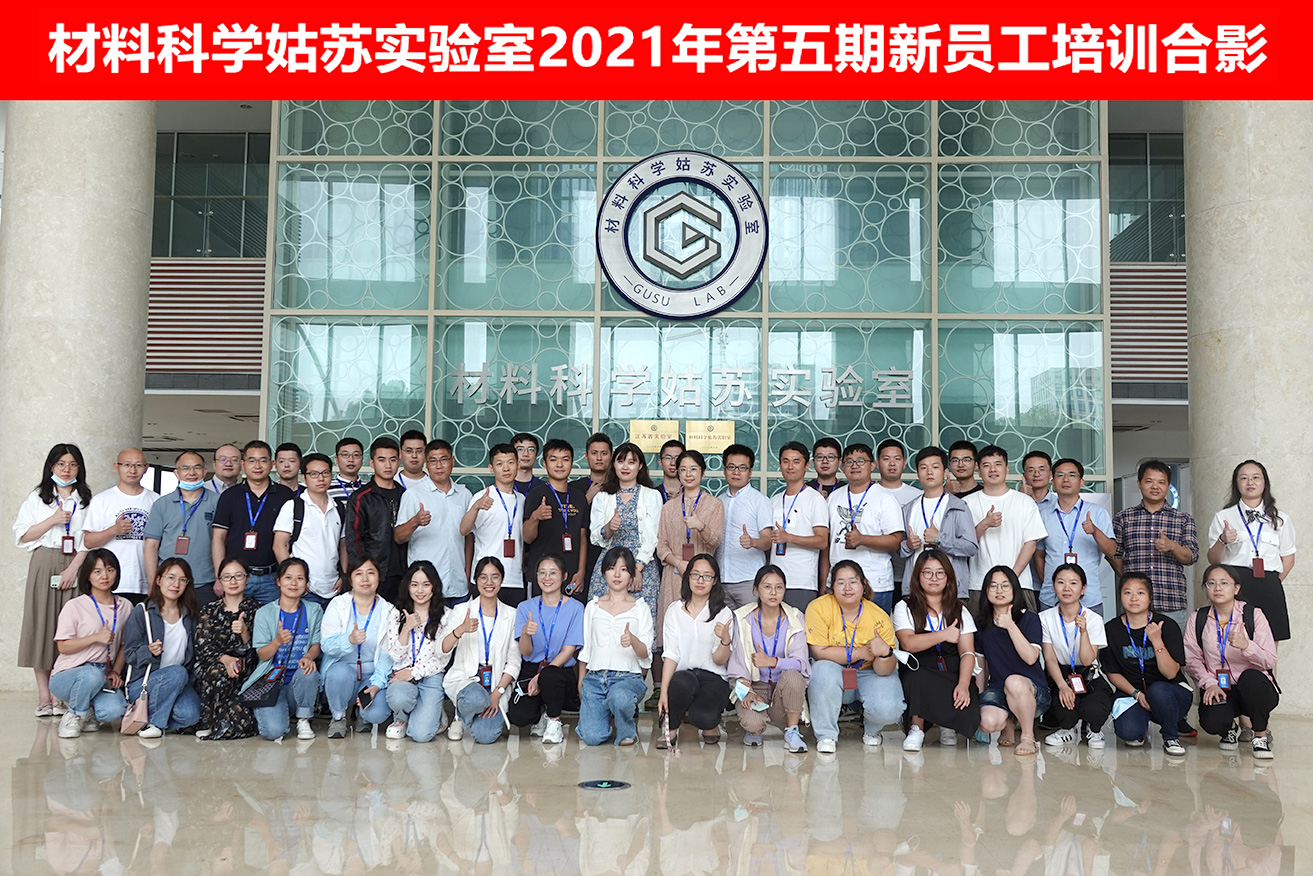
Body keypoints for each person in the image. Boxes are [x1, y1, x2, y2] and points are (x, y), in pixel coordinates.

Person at [16, 443, 92, 716]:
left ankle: (60, 693)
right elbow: (23, 535)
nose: (66, 469)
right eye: (61, 464)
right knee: (42, 624)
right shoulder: (38, 497)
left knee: (71, 628)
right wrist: (52, 520)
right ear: (51, 466)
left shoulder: (86, 499)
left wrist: (74, 568)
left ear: (79, 468)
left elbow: (89, 538)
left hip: (77, 561)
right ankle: (43, 695)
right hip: (45, 560)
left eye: (72, 464)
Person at [805, 559, 904, 753]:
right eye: (840, 582)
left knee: (889, 708)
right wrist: (862, 652)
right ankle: (826, 735)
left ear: (864, 585)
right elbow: (819, 652)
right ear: (832, 587)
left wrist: (884, 653)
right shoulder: (818, 608)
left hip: (869, 672)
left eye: (853, 581)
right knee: (821, 670)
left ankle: (872, 730)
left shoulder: (878, 616)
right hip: (834, 669)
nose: (847, 588)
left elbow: (885, 670)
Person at [1184, 564, 1279, 759]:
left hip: (1254, 688)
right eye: (1211, 583)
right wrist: (1209, 682)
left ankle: (1260, 735)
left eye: (1224, 583)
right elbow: (1192, 659)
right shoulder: (1198, 617)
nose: (1217, 588)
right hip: (1220, 686)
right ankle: (1229, 729)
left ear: (1236, 588)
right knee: (1211, 721)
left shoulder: (1253, 615)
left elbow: (1269, 660)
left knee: (1251, 679)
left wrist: (1247, 646)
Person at [893, 548, 981, 751]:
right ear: (918, 576)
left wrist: (964, 684)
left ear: (948, 577)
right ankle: (916, 728)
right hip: (919, 669)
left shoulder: (960, 609)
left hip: (951, 672)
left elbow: (968, 653)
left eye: (940, 573)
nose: (934, 578)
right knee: (918, 676)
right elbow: (908, 643)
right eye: (928, 572)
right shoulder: (905, 606)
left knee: (971, 704)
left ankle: (947, 724)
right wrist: (944, 635)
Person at [1100, 572, 1192, 756]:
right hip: (1132, 693)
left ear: (1150, 597)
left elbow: (1170, 673)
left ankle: (1170, 736)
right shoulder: (1111, 629)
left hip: (1169, 690)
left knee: (1158, 691)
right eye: (1127, 593)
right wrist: (1136, 693)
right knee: (1129, 733)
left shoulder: (1166, 625)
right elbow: (1112, 672)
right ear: (1120, 597)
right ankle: (1141, 722)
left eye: (1140, 593)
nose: (1134, 598)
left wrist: (1157, 641)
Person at [1205, 459, 1295, 641]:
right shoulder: (1224, 517)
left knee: (1269, 641)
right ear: (1236, 483)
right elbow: (1213, 560)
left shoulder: (1281, 519)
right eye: (1244, 478)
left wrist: (1271, 582)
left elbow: (1288, 559)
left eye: (1256, 477)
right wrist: (1222, 540)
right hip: (1235, 585)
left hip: (1269, 584)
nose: (1250, 482)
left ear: (1265, 482)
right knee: (1233, 638)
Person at [49, 549, 132, 738]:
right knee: (92, 675)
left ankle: (89, 711)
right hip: (68, 674)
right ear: (88, 574)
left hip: (102, 673)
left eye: (110, 570)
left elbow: (124, 645)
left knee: (115, 710)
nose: (105, 576)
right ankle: (74, 715)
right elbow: (63, 646)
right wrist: (95, 637)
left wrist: (115, 671)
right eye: (97, 571)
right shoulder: (75, 605)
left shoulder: (125, 606)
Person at [726, 565, 810, 752]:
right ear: (756, 590)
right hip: (754, 688)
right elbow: (736, 668)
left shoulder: (795, 617)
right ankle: (754, 731)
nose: (773, 592)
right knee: (753, 723)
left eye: (779, 587)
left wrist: (773, 662)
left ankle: (792, 731)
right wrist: (747, 692)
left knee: (794, 675)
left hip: (783, 690)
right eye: (767, 587)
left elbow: (801, 663)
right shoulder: (742, 618)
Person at [576, 547, 654, 746]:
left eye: (624, 569)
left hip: (628, 679)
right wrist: (582, 682)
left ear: (631, 575)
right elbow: (586, 649)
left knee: (619, 697)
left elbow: (645, 654)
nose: (617, 574)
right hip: (595, 678)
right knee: (592, 738)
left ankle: (626, 729)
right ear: (604, 573)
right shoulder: (593, 606)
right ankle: (607, 716)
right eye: (611, 568)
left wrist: (633, 640)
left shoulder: (641, 608)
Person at [439, 556, 521, 743]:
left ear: (502, 580)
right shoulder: (461, 610)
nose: (489, 582)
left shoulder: (512, 614)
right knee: (476, 699)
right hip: (467, 678)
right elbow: (441, 649)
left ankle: (477, 715)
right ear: (475, 580)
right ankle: (460, 717)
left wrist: (497, 693)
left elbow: (514, 661)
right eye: (483, 577)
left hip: (496, 680)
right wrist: (460, 630)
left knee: (485, 737)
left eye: (495, 577)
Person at [241, 557, 323, 742]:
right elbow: (262, 654)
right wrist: (277, 641)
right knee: (273, 732)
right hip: (271, 682)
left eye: (300, 578)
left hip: (298, 682)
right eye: (288, 578)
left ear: (306, 584)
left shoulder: (314, 610)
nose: (293, 583)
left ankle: (303, 719)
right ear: (278, 581)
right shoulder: (264, 613)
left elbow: (316, 644)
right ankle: (280, 714)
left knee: (309, 672)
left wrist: (309, 656)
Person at [657, 553, 734, 747]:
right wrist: (663, 692)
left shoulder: (723, 613)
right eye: (695, 575)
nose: (700, 581)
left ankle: (710, 723)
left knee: (703, 718)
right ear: (687, 577)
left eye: (707, 576)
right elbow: (671, 655)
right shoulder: (674, 610)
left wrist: (725, 640)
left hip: (714, 677)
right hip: (685, 675)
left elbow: (719, 660)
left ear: (714, 581)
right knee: (680, 682)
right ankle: (670, 728)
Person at [1112, 460, 1199, 630]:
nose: (1155, 486)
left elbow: (1192, 557)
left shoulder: (1183, 519)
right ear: (1139, 483)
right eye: (1149, 481)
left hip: (1170, 601)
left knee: (1172, 646)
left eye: (1161, 482)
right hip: (1133, 603)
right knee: (1132, 646)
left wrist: (1172, 546)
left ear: (1168, 486)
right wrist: (1129, 577)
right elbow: (1114, 554)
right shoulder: (1124, 517)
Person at [121, 557, 202, 738]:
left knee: (191, 715)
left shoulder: (189, 614)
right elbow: (130, 654)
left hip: (179, 682)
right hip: (143, 684)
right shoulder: (142, 611)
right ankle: (156, 724)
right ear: (158, 580)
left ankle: (149, 720)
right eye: (170, 577)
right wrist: (148, 651)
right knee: (177, 672)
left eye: (182, 580)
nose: (176, 584)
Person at [509, 554, 585, 744]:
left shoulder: (576, 608)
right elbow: (526, 652)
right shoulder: (525, 607)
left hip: (559, 671)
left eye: (553, 573)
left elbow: (568, 650)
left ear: (564, 576)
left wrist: (541, 676)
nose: (547, 578)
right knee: (519, 717)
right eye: (542, 573)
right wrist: (525, 633)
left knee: (550, 676)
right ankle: (542, 713)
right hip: (531, 668)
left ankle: (554, 721)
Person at [975, 566, 1049, 757]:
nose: (999, 590)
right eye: (993, 586)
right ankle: (1008, 721)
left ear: (1015, 589)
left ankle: (1027, 736)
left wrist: (1010, 625)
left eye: (1005, 585)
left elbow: (1031, 658)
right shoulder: (981, 624)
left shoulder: (1029, 619)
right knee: (987, 722)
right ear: (986, 591)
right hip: (999, 690)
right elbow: (981, 667)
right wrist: (980, 699)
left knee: (1014, 681)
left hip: (1033, 692)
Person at [963, 445, 1047, 612]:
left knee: (1022, 628)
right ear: (978, 471)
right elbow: (964, 545)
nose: (993, 469)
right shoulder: (967, 503)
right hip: (979, 585)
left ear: (1007, 469)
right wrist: (984, 524)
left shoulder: (1024, 501)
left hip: (1019, 583)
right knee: (979, 629)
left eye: (998, 464)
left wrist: (1011, 578)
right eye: (986, 465)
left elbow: (1030, 544)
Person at [320, 557, 397, 738]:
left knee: (376, 714)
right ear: (350, 579)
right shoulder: (338, 605)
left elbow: (387, 655)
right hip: (343, 672)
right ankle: (338, 716)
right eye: (359, 574)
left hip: (372, 675)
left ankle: (363, 713)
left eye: (371, 573)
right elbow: (326, 645)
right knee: (339, 673)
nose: (365, 579)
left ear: (379, 577)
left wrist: (376, 684)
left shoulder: (389, 611)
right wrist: (349, 640)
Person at [211, 440, 295, 605]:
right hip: (236, 578)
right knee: (236, 620)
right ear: (243, 464)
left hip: (272, 577)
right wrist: (219, 576)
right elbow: (218, 538)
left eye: (263, 460)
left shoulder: (285, 495)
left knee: (270, 620)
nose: (257, 466)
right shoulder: (230, 496)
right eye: (251, 460)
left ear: (271, 464)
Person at [656, 450, 725, 647]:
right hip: (674, 574)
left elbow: (715, 541)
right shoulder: (669, 507)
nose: (688, 474)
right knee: (673, 632)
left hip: (703, 574)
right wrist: (679, 563)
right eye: (683, 469)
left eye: (693, 469)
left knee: (701, 631)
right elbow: (661, 546)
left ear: (702, 472)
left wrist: (700, 526)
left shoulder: (715, 504)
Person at [588, 442, 663, 625]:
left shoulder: (651, 495)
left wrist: (636, 569)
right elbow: (595, 537)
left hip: (642, 564)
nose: (625, 467)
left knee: (641, 620)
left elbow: (653, 536)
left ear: (640, 466)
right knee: (603, 618)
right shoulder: (602, 497)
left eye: (631, 462)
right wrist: (609, 527)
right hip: (610, 564)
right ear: (614, 464)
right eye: (621, 461)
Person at [1039, 563, 1112, 749]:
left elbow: (1087, 660)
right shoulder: (1045, 618)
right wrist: (1062, 686)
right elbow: (1049, 658)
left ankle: (1094, 730)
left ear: (1083, 589)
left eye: (1073, 583)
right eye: (1060, 582)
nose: (1066, 588)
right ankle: (1067, 730)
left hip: (1088, 673)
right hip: (1061, 674)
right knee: (1064, 706)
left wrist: (1084, 632)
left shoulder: (1093, 619)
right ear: (1054, 587)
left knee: (1094, 708)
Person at [825, 443, 904, 612]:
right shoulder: (834, 497)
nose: (854, 465)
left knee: (875, 629)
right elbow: (827, 542)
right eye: (849, 461)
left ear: (872, 465)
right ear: (842, 467)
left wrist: (863, 539)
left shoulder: (885, 498)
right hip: (838, 583)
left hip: (875, 583)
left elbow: (896, 541)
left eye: (861, 461)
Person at [395, 439, 474, 608]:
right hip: (426, 588)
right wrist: (415, 521)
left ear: (452, 461)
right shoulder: (413, 494)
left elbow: (468, 537)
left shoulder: (465, 494)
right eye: (433, 461)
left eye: (443, 460)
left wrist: (467, 572)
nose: (439, 466)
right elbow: (398, 537)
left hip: (458, 584)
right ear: (426, 464)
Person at [381, 560, 449, 742]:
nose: (420, 590)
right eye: (415, 585)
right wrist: (406, 628)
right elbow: (395, 655)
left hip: (430, 676)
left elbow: (442, 660)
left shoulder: (446, 615)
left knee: (421, 736)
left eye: (426, 585)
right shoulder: (396, 613)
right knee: (398, 697)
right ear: (407, 586)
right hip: (402, 673)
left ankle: (436, 714)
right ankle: (401, 719)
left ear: (434, 587)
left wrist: (413, 672)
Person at [1037, 458, 1116, 613]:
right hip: (1050, 597)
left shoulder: (1098, 513)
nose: (1066, 479)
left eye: (1072, 475)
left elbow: (1112, 551)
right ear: (1053, 482)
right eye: (1060, 475)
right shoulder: (1042, 515)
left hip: (1089, 598)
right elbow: (1038, 554)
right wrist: (1049, 581)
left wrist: (1095, 531)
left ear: (1081, 482)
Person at [193, 557, 260, 740]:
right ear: (220, 580)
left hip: (246, 672)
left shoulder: (258, 610)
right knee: (218, 672)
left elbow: (260, 652)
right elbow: (202, 647)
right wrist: (225, 659)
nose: (233, 581)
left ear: (247, 578)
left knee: (241, 720)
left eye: (238, 576)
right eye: (227, 577)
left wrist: (245, 633)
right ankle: (210, 721)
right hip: (214, 672)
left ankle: (222, 722)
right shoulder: (209, 610)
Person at [144, 450, 221, 608]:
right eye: (185, 468)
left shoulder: (218, 502)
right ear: (176, 473)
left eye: (197, 467)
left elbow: (223, 541)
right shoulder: (161, 504)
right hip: (169, 583)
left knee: (205, 624)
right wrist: (152, 582)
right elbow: (151, 546)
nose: (191, 472)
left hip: (206, 582)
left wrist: (220, 578)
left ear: (205, 471)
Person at [82, 447, 159, 603]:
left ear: (146, 468)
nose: (132, 470)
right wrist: (114, 530)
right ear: (116, 467)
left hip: (146, 583)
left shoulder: (156, 500)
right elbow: (88, 542)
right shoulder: (102, 500)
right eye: (127, 465)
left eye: (138, 465)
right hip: (111, 582)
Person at [900, 446, 978, 599]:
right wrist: (908, 545)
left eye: (935, 467)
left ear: (945, 473)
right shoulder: (908, 509)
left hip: (951, 590)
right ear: (918, 474)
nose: (929, 472)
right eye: (924, 467)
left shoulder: (958, 506)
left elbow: (971, 547)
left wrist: (939, 538)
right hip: (915, 589)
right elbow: (899, 549)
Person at [274, 452, 347, 610]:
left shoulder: (338, 507)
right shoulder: (293, 506)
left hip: (334, 587)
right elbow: (279, 545)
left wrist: (344, 576)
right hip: (306, 589)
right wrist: (294, 579)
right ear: (304, 478)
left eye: (325, 473)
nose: (321, 478)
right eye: (314, 474)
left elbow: (343, 545)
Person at [523, 439, 591, 600]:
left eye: (565, 459)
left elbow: (582, 537)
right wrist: (536, 517)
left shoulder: (579, 497)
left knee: (572, 614)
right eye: (553, 459)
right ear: (544, 464)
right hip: (543, 576)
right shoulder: (536, 495)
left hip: (571, 575)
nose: (560, 465)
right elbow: (527, 537)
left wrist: (581, 572)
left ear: (572, 463)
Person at [461, 444, 526, 606]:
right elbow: (463, 530)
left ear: (518, 465)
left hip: (514, 578)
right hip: (486, 577)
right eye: (499, 464)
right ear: (491, 468)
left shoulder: (522, 499)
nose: (506, 468)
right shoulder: (482, 496)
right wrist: (476, 507)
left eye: (511, 462)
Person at [345, 436, 408, 601]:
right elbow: (354, 539)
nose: (388, 465)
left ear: (399, 461)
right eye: (382, 460)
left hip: (404, 573)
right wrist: (363, 573)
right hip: (374, 574)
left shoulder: (406, 495)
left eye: (392, 460)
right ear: (372, 463)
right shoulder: (361, 498)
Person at [770, 441, 830, 611]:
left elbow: (822, 541)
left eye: (796, 462)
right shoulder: (774, 500)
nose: (790, 466)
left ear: (806, 466)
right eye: (785, 461)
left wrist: (789, 537)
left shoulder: (815, 499)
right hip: (773, 581)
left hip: (801, 582)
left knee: (799, 627)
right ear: (780, 464)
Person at [718, 444, 773, 610]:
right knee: (724, 626)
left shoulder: (760, 500)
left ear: (750, 472)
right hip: (720, 580)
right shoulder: (718, 501)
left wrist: (753, 542)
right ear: (724, 470)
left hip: (749, 580)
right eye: (731, 467)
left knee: (750, 624)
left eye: (742, 468)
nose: (736, 472)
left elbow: (768, 540)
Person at [571, 432, 613, 592]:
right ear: (586, 457)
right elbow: (567, 521)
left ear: (611, 456)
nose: (599, 458)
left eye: (604, 453)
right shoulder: (574, 488)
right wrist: (586, 499)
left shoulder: (619, 487)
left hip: (611, 554)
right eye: (594, 453)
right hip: (580, 556)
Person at [327, 437, 365, 516]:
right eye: (345, 455)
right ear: (336, 459)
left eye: (356, 455)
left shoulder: (371, 487)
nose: (351, 459)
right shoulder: (326, 487)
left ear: (362, 459)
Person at [511, 432, 543, 497]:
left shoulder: (544, 487)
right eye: (520, 449)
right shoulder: (501, 487)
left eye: (531, 449)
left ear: (536, 455)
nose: (526, 454)